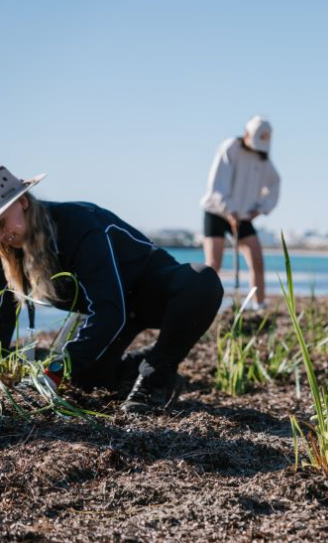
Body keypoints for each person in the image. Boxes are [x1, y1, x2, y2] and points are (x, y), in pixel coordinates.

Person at [0, 165, 223, 413]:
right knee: (86, 380)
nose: (1, 235)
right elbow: (3, 314)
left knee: (202, 281)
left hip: (151, 292)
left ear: (22, 202)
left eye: (1, 222)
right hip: (113, 312)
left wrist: (57, 369)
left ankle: (155, 377)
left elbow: (109, 311)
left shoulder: (79, 224)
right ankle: (145, 361)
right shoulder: (8, 253)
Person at [200, 115, 281, 309]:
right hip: (216, 212)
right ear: (246, 134)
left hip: (243, 216)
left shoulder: (263, 159)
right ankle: (201, 305)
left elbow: (275, 183)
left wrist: (261, 209)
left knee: (257, 260)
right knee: (213, 264)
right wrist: (229, 211)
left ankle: (259, 306)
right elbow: (216, 186)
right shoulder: (230, 148)